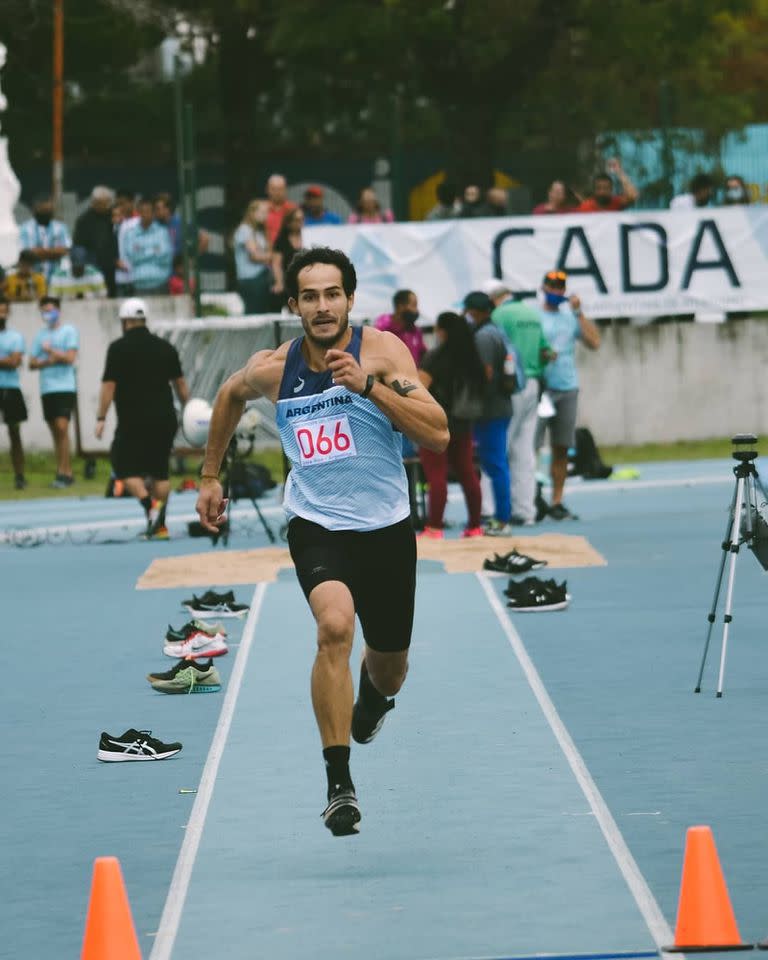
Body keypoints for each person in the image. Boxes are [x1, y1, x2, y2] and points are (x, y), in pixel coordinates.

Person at [195, 246, 448, 837]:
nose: (323, 306)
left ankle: (370, 706)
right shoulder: (274, 368)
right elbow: (230, 396)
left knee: (390, 669)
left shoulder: (383, 353)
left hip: (385, 527)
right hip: (317, 525)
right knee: (334, 625)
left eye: (333, 293)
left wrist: (370, 389)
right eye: (310, 296)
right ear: (294, 306)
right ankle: (340, 782)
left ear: (351, 300)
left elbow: (437, 432)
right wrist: (209, 475)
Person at [95, 297, 190, 540]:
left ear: (125, 321)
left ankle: (151, 508)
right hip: (164, 417)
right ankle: (160, 525)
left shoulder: (117, 348)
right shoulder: (165, 346)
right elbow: (180, 384)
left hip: (132, 419)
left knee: (122, 464)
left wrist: (101, 417)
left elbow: (108, 386)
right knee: (160, 471)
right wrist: (190, 408)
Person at [486, 279, 553, 525]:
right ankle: (526, 511)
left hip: (510, 387)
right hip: (533, 385)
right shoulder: (532, 314)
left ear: (493, 299)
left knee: (497, 447)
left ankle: (491, 510)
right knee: (524, 451)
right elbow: (546, 352)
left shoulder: (499, 315)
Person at [536, 270, 601, 520]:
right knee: (532, 446)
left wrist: (578, 312)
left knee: (561, 447)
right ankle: (533, 496)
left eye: (560, 287)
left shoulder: (570, 317)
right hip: (542, 387)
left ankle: (557, 500)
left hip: (566, 387)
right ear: (544, 288)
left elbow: (595, 342)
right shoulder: (536, 315)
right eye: (551, 286)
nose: (556, 291)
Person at [417, 311, 484, 537]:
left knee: (436, 475)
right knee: (467, 472)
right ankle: (475, 525)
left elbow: (419, 389)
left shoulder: (435, 357)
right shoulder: (471, 357)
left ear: (442, 331)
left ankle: (435, 527)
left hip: (435, 423)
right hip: (463, 423)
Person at [463, 290, 513, 535]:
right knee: (496, 463)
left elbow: (485, 374)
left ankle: (503, 519)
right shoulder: (496, 331)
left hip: (490, 410)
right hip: (498, 406)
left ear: (477, 312)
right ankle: (501, 516)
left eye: (469, 312)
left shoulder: (484, 337)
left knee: (495, 463)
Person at [29, 295, 79, 488]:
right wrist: (47, 361)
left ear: (58, 310)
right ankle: (62, 469)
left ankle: (65, 472)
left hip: (65, 386)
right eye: (44, 311)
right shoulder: (40, 335)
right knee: (55, 432)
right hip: (47, 388)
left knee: (62, 427)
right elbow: (32, 362)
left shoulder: (69, 331)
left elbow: (70, 357)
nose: (47, 314)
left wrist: (51, 352)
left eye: (50, 310)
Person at [0, 296, 28, 489]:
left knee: (14, 433)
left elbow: (15, 362)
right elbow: (8, 360)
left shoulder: (16, 337)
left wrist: (9, 360)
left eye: (3, 310)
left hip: (10, 389)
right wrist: (6, 359)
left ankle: (19, 475)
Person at [120, 198, 173, 295]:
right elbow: (133, 257)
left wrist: (142, 251)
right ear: (138, 213)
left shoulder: (162, 232)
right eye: (142, 212)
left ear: (153, 213)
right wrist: (154, 250)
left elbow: (165, 256)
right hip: (139, 284)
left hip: (160, 283)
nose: (145, 215)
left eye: (148, 212)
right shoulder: (130, 234)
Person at [73, 185, 117, 296]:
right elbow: (79, 245)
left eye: (107, 202)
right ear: (94, 202)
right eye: (102, 203)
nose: (106, 205)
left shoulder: (114, 215)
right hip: (93, 265)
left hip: (113, 265)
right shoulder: (84, 220)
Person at [18, 195, 71, 284]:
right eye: (43, 210)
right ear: (35, 210)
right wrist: (53, 253)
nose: (46, 213)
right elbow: (28, 253)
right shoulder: (25, 228)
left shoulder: (61, 227)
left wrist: (40, 252)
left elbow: (64, 251)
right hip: (33, 279)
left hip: (57, 278)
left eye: (49, 210)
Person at [233, 199, 272, 314]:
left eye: (267, 212)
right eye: (262, 212)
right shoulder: (245, 230)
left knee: (263, 311)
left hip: (262, 277)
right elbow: (255, 256)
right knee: (253, 312)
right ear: (252, 213)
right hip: (251, 279)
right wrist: (273, 256)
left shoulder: (259, 231)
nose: (266, 215)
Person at [374, 289, 426, 366]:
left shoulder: (416, 331)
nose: (416, 310)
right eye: (414, 305)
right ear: (400, 306)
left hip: (413, 376)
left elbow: (423, 354)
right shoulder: (382, 328)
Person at [271, 207, 304, 305]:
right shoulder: (281, 240)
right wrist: (279, 282)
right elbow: (276, 264)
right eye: (297, 220)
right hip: (289, 282)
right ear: (289, 222)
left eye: (302, 219)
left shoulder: (308, 236)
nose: (300, 223)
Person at [265, 173, 297, 244]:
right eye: (273, 189)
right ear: (267, 189)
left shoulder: (293, 209)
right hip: (266, 251)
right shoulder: (262, 209)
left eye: (280, 189)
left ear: (286, 189)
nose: (277, 192)